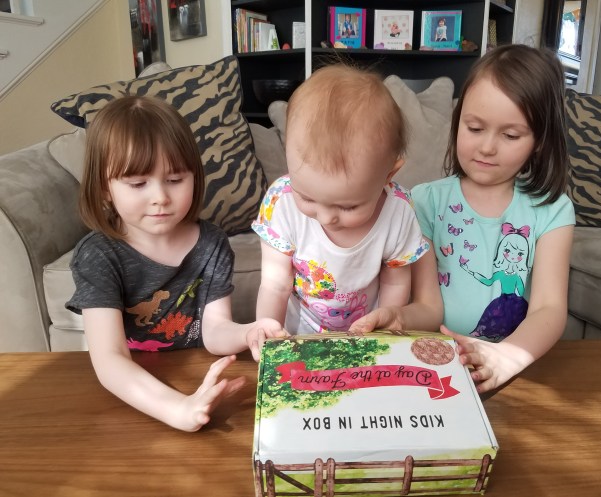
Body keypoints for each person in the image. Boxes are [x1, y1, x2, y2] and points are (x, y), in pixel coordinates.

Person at [351, 44, 575, 394]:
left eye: (510, 135)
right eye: (474, 128)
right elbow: (427, 306)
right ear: (458, 123)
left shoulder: (553, 209)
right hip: (435, 366)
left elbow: (549, 308)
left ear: (539, 141)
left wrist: (506, 357)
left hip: (511, 368)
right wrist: (399, 317)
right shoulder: (424, 201)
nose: (487, 147)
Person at [66, 96, 286, 432]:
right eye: (137, 183)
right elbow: (110, 359)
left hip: (196, 375)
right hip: (136, 392)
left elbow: (214, 331)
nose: (160, 197)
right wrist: (176, 409)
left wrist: (249, 331)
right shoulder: (98, 255)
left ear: (194, 176)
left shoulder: (211, 243)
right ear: (104, 188)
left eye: (174, 179)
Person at [253, 64, 443, 335]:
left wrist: (382, 333)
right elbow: (275, 284)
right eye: (306, 197)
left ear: (388, 175)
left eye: (347, 206)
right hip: (298, 332)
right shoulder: (281, 203)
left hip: (366, 331)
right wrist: (268, 332)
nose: (326, 217)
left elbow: (395, 283)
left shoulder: (398, 212)